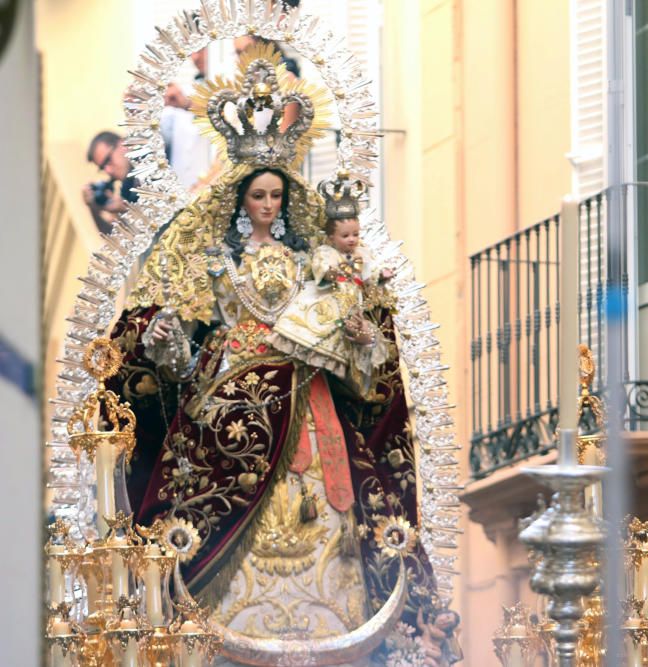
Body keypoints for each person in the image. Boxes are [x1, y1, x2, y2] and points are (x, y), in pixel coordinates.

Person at [104, 43, 445, 664]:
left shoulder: (314, 266)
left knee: (333, 522)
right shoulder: (214, 265)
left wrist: (364, 336)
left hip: (310, 409)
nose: (268, 205)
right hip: (227, 416)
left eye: (276, 196)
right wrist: (169, 347)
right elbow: (186, 369)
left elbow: (355, 359)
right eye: (258, 195)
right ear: (240, 201)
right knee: (204, 530)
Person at [268, 176, 393, 396]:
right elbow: (322, 266)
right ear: (331, 237)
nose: (352, 240)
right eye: (346, 235)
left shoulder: (362, 254)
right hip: (329, 295)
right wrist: (333, 272)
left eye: (356, 234)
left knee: (346, 327)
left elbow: (370, 274)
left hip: (352, 299)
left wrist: (380, 276)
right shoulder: (327, 252)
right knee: (317, 321)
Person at [161, 47, 214, 190]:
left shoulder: (231, 87)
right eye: (192, 52)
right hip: (182, 193)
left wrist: (187, 104)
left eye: (202, 49)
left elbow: (221, 115)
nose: (196, 57)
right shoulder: (182, 91)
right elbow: (163, 136)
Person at [82, 131, 138, 234]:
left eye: (108, 160)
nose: (108, 171)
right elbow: (119, 240)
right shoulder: (127, 189)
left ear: (122, 144)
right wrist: (94, 208)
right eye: (103, 168)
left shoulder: (149, 160)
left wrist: (127, 209)